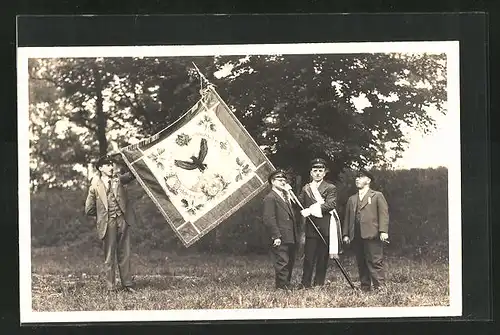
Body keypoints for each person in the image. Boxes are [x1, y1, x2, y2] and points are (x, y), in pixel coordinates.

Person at [85, 152, 137, 293]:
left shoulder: (118, 180)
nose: (111, 167)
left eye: (111, 164)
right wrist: (103, 215)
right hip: (108, 223)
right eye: (107, 165)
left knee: (124, 253)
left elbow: (132, 174)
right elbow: (89, 209)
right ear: (100, 168)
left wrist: (130, 158)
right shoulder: (94, 186)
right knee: (109, 256)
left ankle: (127, 284)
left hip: (122, 219)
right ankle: (110, 287)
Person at [342, 169, 389, 292]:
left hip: (372, 234)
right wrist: (346, 234)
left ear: (368, 180)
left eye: (361, 177)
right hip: (356, 235)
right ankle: (365, 288)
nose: (357, 179)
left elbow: (383, 214)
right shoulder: (352, 199)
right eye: (356, 177)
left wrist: (383, 231)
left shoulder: (377, 195)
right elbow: (347, 218)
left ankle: (380, 288)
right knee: (361, 262)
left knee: (375, 261)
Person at [298, 158, 338, 289]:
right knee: (309, 258)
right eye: (315, 171)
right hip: (311, 227)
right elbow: (299, 204)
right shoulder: (306, 188)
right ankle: (305, 284)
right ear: (311, 172)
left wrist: (310, 210)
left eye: (320, 171)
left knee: (322, 258)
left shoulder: (330, 187)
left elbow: (330, 204)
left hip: (325, 226)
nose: (318, 173)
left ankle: (319, 283)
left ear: (325, 173)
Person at [262, 169, 300, 291]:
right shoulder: (270, 198)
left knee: (289, 261)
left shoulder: (285, 197)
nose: (283, 182)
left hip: (289, 235)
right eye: (279, 180)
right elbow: (269, 218)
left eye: (284, 180)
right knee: (282, 262)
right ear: (272, 182)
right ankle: (282, 287)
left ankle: (285, 284)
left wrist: (289, 194)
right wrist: (276, 236)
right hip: (280, 236)